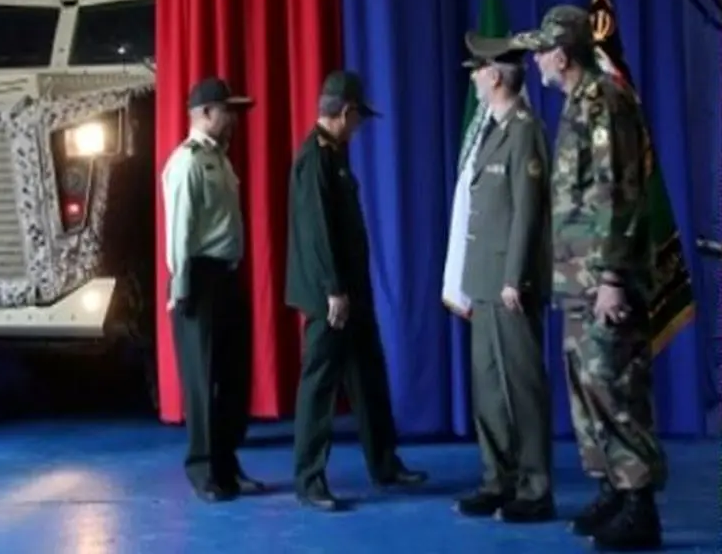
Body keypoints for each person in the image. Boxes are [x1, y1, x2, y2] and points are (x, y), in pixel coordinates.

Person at [507, 5, 667, 551]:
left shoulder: (605, 102)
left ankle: (639, 502)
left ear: (561, 55)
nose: (534, 61)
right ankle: (613, 488)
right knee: (588, 389)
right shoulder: (578, 103)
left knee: (615, 386)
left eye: (540, 52)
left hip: (603, 279)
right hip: (577, 279)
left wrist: (614, 275)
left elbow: (616, 191)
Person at [286, 70, 427, 512]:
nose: (360, 126)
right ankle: (309, 478)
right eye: (358, 117)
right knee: (320, 385)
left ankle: (384, 463)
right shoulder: (315, 158)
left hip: (352, 292)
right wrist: (333, 289)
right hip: (331, 295)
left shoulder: (334, 154)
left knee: (369, 377)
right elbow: (317, 230)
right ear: (345, 113)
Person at [454, 37, 554, 523]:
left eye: (478, 69)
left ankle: (535, 487)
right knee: (489, 384)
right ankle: (499, 479)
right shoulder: (491, 130)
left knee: (522, 385)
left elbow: (528, 211)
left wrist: (515, 276)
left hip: (510, 281)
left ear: (495, 76)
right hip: (484, 276)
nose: (473, 77)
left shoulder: (523, 131)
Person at [162, 76, 265, 502]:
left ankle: (226, 463)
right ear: (205, 113)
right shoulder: (186, 162)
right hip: (198, 280)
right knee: (202, 378)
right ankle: (203, 468)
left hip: (225, 275)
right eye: (227, 111)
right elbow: (179, 232)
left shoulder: (220, 159)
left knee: (232, 375)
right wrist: (181, 287)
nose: (234, 119)